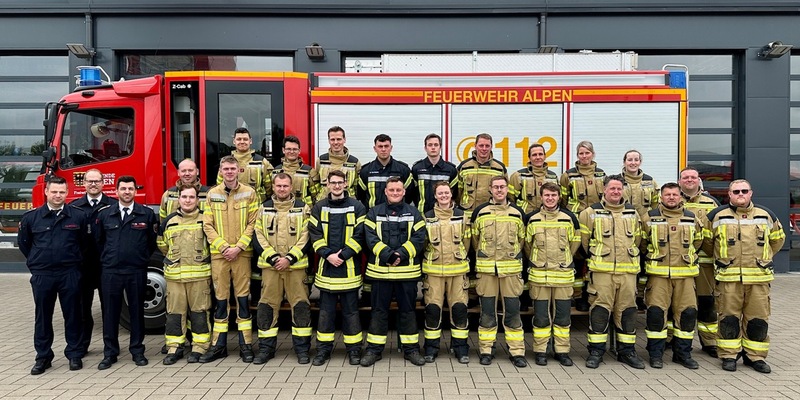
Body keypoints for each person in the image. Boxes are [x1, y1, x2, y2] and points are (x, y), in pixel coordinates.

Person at [704, 179, 785, 373]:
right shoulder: (716, 215)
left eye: (744, 191)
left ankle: (755, 357)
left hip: (759, 278)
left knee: (758, 319)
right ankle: (729, 355)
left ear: (751, 193)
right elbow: (707, 243)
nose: (740, 194)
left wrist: (762, 259)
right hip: (728, 278)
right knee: (728, 318)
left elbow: (777, 240)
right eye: (736, 191)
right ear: (729, 195)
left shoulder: (766, 215)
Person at [18, 176, 90, 374]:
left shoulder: (78, 216)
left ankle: (74, 354)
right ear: (46, 192)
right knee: (43, 317)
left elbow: (84, 244)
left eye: (62, 192)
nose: (58, 195)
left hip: (69, 273)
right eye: (54, 192)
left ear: (67, 193)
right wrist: (38, 262)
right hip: (43, 274)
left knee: (73, 315)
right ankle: (43, 356)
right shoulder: (31, 218)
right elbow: (25, 244)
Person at [579, 174, 644, 369]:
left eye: (619, 188)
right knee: (599, 312)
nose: (616, 192)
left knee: (627, 313)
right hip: (601, 272)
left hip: (628, 273)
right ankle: (596, 352)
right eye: (612, 188)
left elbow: (638, 241)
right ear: (604, 190)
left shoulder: (633, 213)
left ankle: (627, 352)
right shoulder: (589, 213)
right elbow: (583, 244)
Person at [361, 177, 427, 367]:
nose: (395, 193)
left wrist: (401, 254)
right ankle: (374, 350)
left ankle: (411, 350)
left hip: (406, 273)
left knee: (408, 312)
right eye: (392, 190)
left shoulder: (414, 213)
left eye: (399, 190)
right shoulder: (374, 213)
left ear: (404, 192)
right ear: (386, 192)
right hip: (380, 273)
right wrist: (388, 255)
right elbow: (370, 238)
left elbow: (419, 238)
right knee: (378, 312)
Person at [94, 175, 158, 370]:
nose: (127, 192)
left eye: (131, 189)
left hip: (135, 270)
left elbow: (151, 243)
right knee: (110, 312)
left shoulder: (146, 214)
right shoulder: (105, 214)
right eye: (123, 189)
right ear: (116, 191)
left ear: (135, 191)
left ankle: (137, 351)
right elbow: (99, 242)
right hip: (111, 271)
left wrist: (140, 259)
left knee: (137, 312)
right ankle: (110, 353)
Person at [201, 155, 260, 363]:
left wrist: (239, 247)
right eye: (225, 169)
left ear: (239, 170)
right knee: (220, 300)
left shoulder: (249, 193)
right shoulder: (212, 194)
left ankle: (246, 345)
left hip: (241, 255)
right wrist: (224, 247)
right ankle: (219, 346)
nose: (229, 172)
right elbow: (207, 225)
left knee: (243, 300)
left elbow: (254, 224)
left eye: (232, 169)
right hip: (220, 255)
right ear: (220, 170)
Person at [641, 182, 703, 369]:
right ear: (661, 197)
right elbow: (642, 243)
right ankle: (655, 355)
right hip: (658, 276)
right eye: (667, 195)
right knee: (656, 315)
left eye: (674, 195)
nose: (671, 198)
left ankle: (683, 354)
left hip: (685, 276)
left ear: (680, 196)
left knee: (687, 315)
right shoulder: (649, 217)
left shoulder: (692, 218)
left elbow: (699, 242)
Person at [308, 170, 367, 366]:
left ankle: (354, 351)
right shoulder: (319, 207)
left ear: (345, 184)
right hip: (327, 271)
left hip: (349, 269)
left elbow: (360, 235)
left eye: (339, 182)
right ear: (327, 184)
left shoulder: (357, 207)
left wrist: (342, 255)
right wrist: (328, 254)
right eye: (332, 183)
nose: (336, 186)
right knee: (326, 314)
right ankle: (323, 351)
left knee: (351, 314)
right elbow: (314, 234)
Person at [252, 173, 312, 365]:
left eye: (285, 186)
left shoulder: (303, 208)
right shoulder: (264, 208)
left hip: (296, 267)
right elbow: (257, 234)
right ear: (274, 187)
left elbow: (307, 235)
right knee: (267, 307)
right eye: (279, 186)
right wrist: (273, 257)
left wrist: (290, 258)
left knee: (301, 307)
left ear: (291, 187)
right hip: (271, 268)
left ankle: (302, 350)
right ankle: (265, 350)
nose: (282, 189)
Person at [471, 176, 527, 367]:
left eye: (502, 187)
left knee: (513, 312)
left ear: (507, 189)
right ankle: (486, 350)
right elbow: (474, 240)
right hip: (487, 272)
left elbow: (523, 240)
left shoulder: (518, 213)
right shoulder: (480, 212)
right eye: (496, 187)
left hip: (510, 272)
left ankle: (517, 351)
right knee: (487, 313)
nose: (499, 190)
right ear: (490, 189)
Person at [523, 182, 580, 367]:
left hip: (563, 276)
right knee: (541, 316)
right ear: (541, 197)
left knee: (563, 316)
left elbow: (575, 242)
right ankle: (540, 351)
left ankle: (562, 351)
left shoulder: (569, 218)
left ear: (559, 197)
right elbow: (526, 245)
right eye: (546, 195)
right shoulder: (532, 219)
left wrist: (564, 260)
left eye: (553, 196)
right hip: (539, 276)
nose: (550, 199)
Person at [157, 183, 212, 365]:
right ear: (179, 199)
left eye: (191, 197)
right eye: (184, 197)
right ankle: (174, 347)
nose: (188, 200)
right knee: (174, 313)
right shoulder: (169, 221)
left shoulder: (206, 220)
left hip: (199, 276)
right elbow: (162, 244)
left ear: (197, 200)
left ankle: (200, 346)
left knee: (199, 313)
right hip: (175, 278)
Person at [68, 168, 117, 358]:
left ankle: (110, 347)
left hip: (107, 266)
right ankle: (82, 346)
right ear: (84, 184)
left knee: (109, 309)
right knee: (82, 309)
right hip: (83, 267)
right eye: (89, 181)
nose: (93, 184)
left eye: (97, 181)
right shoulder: (74, 207)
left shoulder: (112, 206)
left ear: (103, 183)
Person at [421, 181, 471, 364]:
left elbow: (468, 242)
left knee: (459, 310)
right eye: (440, 193)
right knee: (432, 311)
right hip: (433, 272)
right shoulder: (427, 217)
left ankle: (460, 348)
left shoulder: (462, 216)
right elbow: (423, 243)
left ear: (452, 195)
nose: (443, 196)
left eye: (446, 193)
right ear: (435, 196)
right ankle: (431, 348)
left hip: (458, 272)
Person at [678, 167, 720, 358]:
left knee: (706, 302)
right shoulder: (671, 199)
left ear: (698, 180)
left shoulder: (711, 203)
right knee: (678, 304)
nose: (689, 180)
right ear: (679, 181)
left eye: (693, 177)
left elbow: (717, 233)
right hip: (679, 263)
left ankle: (709, 341)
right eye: (685, 177)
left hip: (704, 263)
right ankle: (673, 338)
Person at [560, 140, 606, 311]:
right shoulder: (568, 175)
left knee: (593, 257)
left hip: (597, 223)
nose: (584, 156)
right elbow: (563, 200)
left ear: (592, 154)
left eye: (587, 153)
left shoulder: (601, 175)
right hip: (577, 221)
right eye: (581, 153)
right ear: (577, 155)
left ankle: (590, 295)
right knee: (578, 259)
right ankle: (578, 297)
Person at [621, 150, 659, 310]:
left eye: (636, 159)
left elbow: (656, 205)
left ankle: (639, 296)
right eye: (630, 159)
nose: (633, 162)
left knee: (643, 263)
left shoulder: (650, 182)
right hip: (625, 228)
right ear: (624, 162)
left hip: (646, 227)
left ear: (640, 162)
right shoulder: (617, 181)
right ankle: (626, 294)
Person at [455, 133, 507, 221]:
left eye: (487, 146)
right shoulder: (464, 166)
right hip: (468, 215)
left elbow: (505, 193)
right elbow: (458, 192)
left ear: (491, 147)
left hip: (491, 214)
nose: (484, 149)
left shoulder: (499, 168)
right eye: (481, 145)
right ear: (475, 146)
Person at [218, 127, 273, 203]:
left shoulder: (262, 162)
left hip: (256, 206)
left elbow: (269, 187)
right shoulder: (225, 162)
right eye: (239, 139)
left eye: (245, 139)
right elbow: (220, 185)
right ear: (234, 141)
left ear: (250, 141)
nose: (242, 142)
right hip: (233, 205)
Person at [358, 134, 413, 208]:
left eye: (386, 146)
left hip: (398, 214)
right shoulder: (366, 171)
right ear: (375, 148)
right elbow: (361, 195)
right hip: (373, 215)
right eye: (380, 146)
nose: (383, 149)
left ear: (391, 148)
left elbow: (410, 194)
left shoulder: (403, 170)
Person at [411, 133, 458, 214]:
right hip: (422, 215)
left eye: (436, 145)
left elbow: (454, 194)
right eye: (430, 145)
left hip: (443, 215)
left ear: (440, 147)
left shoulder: (450, 170)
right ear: (425, 148)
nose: (433, 147)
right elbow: (412, 193)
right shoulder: (417, 169)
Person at [509, 143, 560, 214]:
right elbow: (511, 199)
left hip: (547, 217)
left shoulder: (553, 177)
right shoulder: (518, 176)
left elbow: (558, 199)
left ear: (545, 156)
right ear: (529, 157)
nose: (538, 157)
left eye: (540, 154)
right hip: (525, 216)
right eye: (534, 155)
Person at [313, 126, 361, 201]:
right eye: (332, 139)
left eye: (339, 139)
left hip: (347, 203)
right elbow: (316, 184)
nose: (335, 142)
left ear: (344, 140)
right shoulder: (321, 160)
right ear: (329, 140)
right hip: (324, 202)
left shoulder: (354, 162)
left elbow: (357, 188)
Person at [272, 135, 318, 206]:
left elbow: (316, 195)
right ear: (283, 150)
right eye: (288, 149)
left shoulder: (309, 172)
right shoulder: (275, 171)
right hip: (280, 212)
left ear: (299, 151)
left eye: (295, 149)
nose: (292, 151)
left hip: (303, 213)